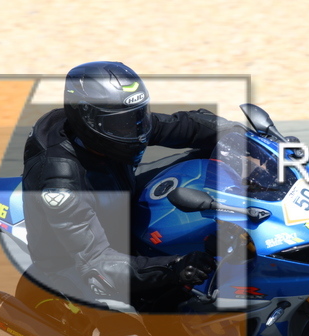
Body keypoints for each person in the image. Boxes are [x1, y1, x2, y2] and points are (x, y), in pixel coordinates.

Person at [22, 61, 242, 307]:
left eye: (137, 115)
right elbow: (96, 261)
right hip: (76, 261)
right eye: (123, 123)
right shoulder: (61, 183)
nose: (135, 130)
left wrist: (238, 135)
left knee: (201, 158)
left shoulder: (111, 120)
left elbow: (178, 125)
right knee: (134, 327)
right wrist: (174, 267)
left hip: (118, 198)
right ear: (86, 120)